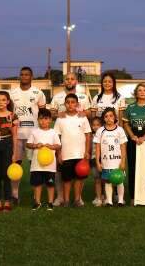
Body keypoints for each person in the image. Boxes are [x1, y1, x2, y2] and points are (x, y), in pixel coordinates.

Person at [49, 72, 91, 206]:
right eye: (67, 79)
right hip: (66, 153)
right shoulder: (58, 101)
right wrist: (59, 153)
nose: (69, 81)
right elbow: (56, 134)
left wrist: (87, 151)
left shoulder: (83, 104)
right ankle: (64, 198)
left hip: (80, 152)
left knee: (79, 176)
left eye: (72, 78)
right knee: (65, 178)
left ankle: (78, 199)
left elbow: (88, 132)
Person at [9, 66, 46, 204]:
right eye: (22, 74)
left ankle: (36, 196)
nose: (24, 76)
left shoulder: (38, 93)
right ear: (19, 76)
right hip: (16, 136)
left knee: (34, 166)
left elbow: (43, 115)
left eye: (27, 74)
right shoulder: (12, 94)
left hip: (33, 136)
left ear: (31, 77)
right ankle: (14, 195)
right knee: (15, 165)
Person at [122, 83, 145, 205]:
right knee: (132, 168)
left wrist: (144, 137)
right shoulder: (130, 107)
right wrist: (132, 136)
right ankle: (133, 196)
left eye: (144, 90)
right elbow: (126, 123)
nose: (142, 92)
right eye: (139, 90)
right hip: (133, 140)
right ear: (136, 93)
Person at [0, 91, 19, 212]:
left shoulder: (12, 116)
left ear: (8, 101)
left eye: (3, 100)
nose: (1, 102)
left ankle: (7, 201)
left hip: (7, 144)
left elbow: (15, 136)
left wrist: (14, 153)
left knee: (6, 174)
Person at [27, 109, 60, 211]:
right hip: (37, 165)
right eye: (41, 119)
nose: (43, 121)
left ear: (50, 120)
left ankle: (50, 202)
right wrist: (35, 145)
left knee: (50, 184)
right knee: (37, 184)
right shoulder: (34, 132)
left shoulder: (53, 132)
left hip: (50, 166)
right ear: (37, 120)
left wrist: (51, 146)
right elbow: (28, 144)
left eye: (46, 119)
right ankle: (37, 202)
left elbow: (58, 145)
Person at [95, 108, 127, 207]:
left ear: (115, 117)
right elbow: (97, 148)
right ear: (103, 119)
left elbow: (123, 147)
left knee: (119, 180)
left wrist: (123, 162)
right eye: (106, 116)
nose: (109, 118)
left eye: (111, 116)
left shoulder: (120, 130)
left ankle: (121, 200)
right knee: (108, 181)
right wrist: (97, 162)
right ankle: (109, 201)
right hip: (106, 162)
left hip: (117, 162)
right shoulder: (100, 130)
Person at [89, 116, 104, 206]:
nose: (95, 127)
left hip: (104, 160)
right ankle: (98, 198)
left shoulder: (105, 134)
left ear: (101, 125)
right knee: (97, 179)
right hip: (94, 160)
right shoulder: (90, 136)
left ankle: (106, 197)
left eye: (98, 125)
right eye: (93, 125)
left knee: (105, 179)